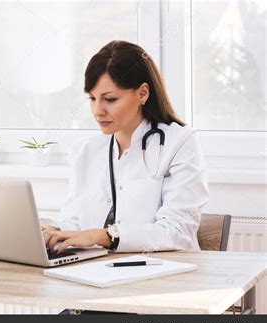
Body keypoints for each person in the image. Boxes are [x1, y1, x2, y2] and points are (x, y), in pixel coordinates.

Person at [42, 41, 209, 255]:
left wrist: (104, 236)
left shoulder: (180, 142)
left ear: (142, 93)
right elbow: (73, 220)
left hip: (162, 272)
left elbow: (177, 231)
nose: (97, 111)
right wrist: (57, 231)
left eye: (110, 99)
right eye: (92, 99)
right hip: (96, 271)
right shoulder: (84, 151)